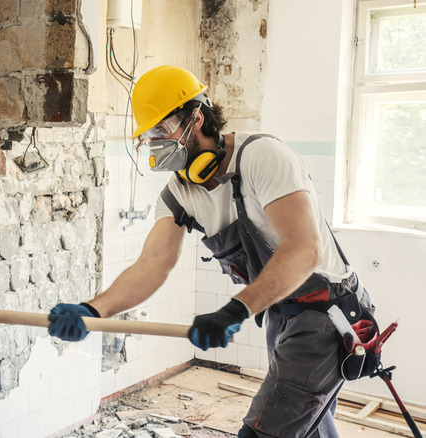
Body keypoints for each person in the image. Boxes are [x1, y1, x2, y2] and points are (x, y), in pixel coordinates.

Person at [47, 65, 375, 437]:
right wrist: (93, 310)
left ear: (196, 118)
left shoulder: (261, 157)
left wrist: (235, 309)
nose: (154, 143)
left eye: (160, 130)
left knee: (265, 431)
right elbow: (152, 265)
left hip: (326, 313)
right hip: (282, 316)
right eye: (148, 136)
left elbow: (304, 250)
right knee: (308, 426)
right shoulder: (180, 193)